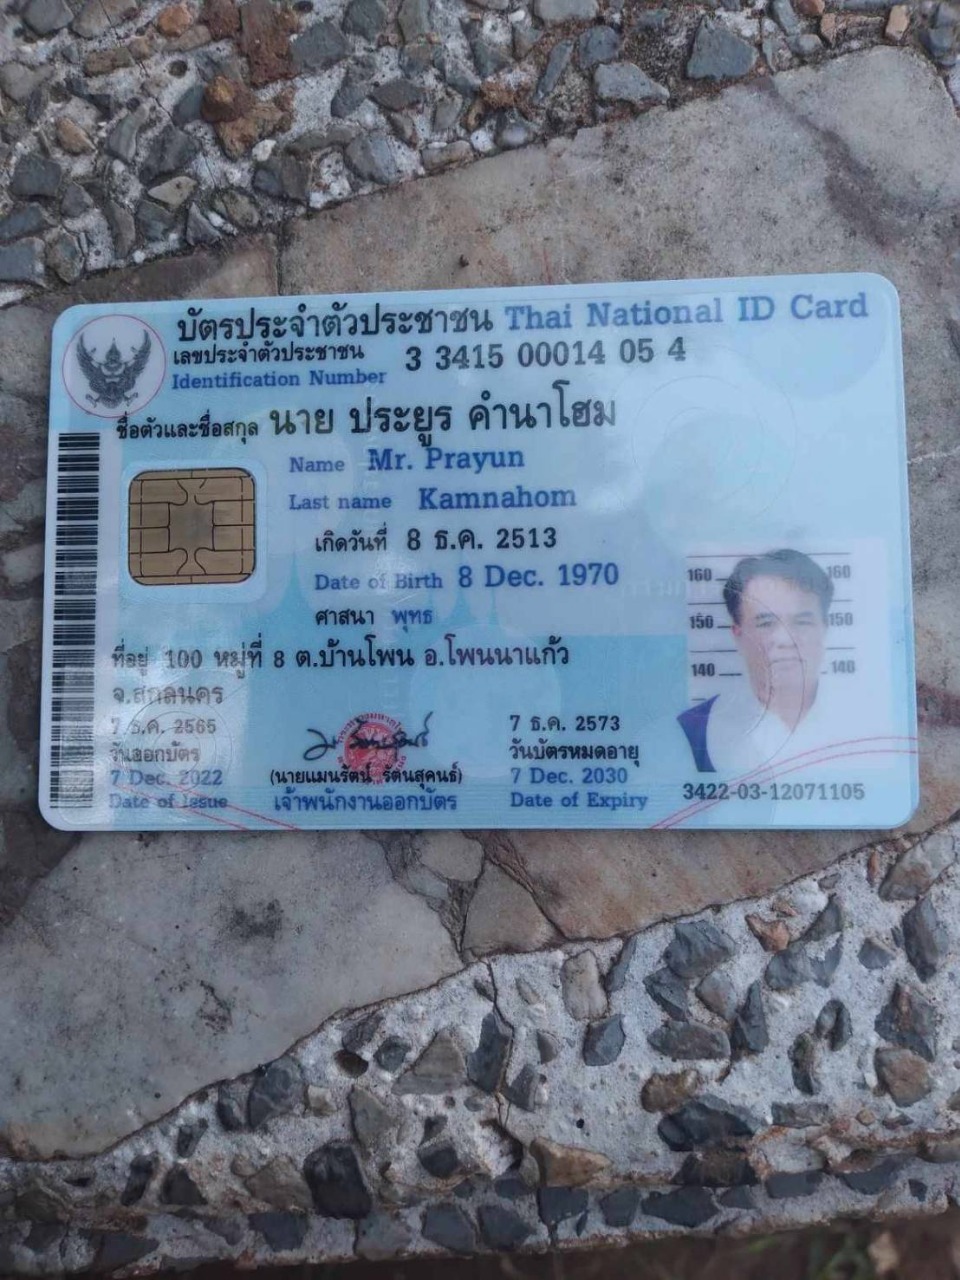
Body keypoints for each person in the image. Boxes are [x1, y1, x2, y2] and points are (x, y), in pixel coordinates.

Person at [678, 549, 835, 774]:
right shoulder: (695, 731)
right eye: (765, 623)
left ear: (824, 628)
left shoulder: (867, 720)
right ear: (738, 635)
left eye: (802, 622)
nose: (785, 640)